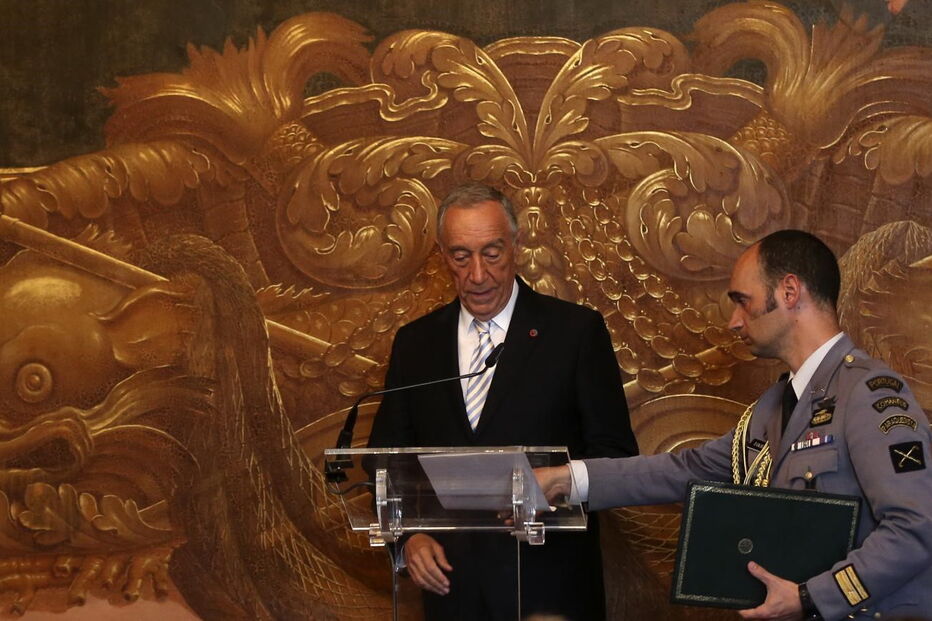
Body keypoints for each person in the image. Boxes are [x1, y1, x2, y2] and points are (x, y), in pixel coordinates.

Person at [537, 230, 932, 620]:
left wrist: (812, 597)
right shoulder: (772, 407)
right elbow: (685, 470)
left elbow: (917, 527)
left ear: (789, 292)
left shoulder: (870, 394)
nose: (733, 323)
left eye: (744, 302)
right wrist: (567, 481)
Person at [368, 182, 638, 621]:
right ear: (442, 256)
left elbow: (616, 455)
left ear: (516, 245)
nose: (478, 274)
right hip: (451, 591)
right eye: (461, 256)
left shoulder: (575, 333)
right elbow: (384, 459)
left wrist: (549, 488)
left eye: (492, 253)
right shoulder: (416, 343)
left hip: (549, 590)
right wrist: (408, 538)